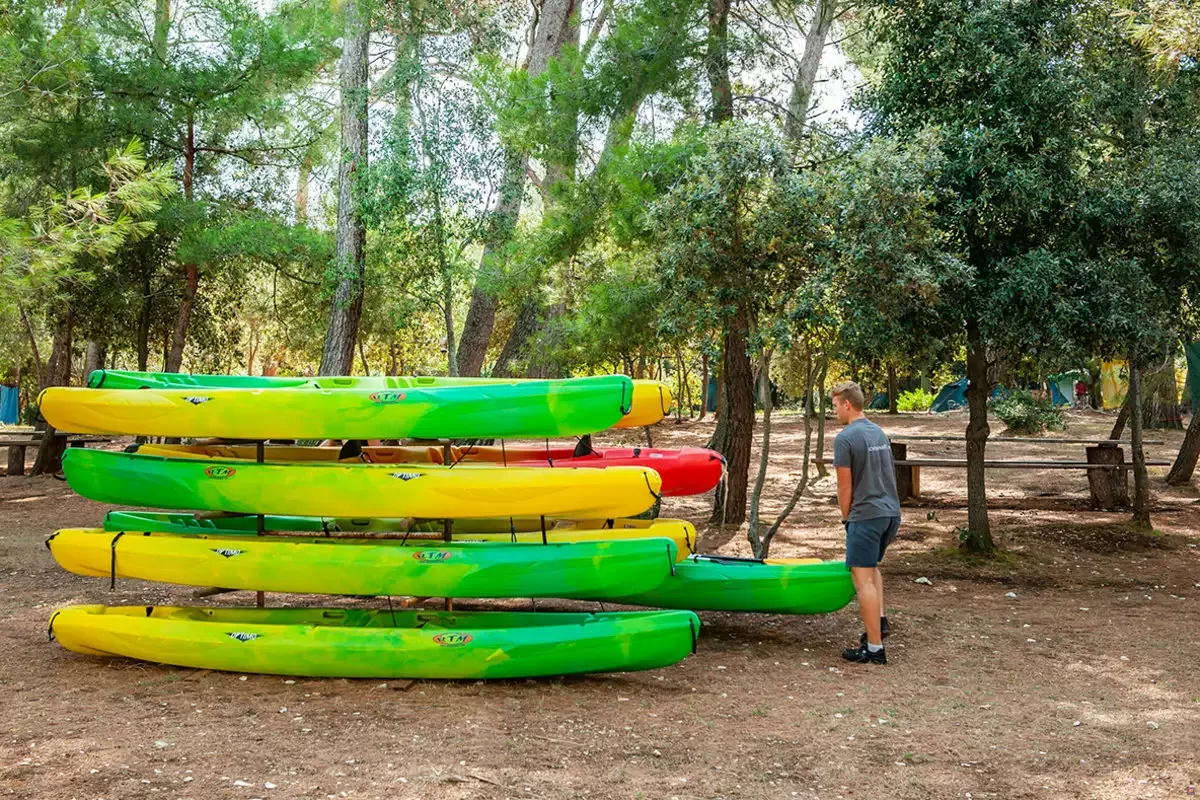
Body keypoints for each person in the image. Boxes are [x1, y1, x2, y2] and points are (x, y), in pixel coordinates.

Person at [830, 381, 901, 665]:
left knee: (862, 581)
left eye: (835, 405)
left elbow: (844, 486)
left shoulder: (845, 438)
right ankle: (879, 622)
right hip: (890, 513)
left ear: (847, 404)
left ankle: (874, 649)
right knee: (871, 569)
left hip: (866, 515)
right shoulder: (878, 432)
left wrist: (846, 517)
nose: (834, 411)